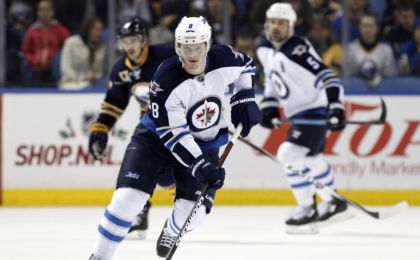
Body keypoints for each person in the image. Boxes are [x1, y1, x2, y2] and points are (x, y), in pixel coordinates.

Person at [88, 16, 261, 259]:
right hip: (155, 139)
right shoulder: (165, 79)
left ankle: (172, 228)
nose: (192, 54)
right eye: (186, 47)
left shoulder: (225, 58)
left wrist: (245, 97)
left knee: (194, 213)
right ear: (177, 47)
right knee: (127, 200)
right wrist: (201, 164)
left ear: (207, 44)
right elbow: (173, 134)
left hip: (204, 140)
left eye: (198, 46)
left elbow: (247, 66)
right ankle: (99, 256)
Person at [257, 3, 348, 233]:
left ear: (291, 25)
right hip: (299, 114)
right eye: (273, 22)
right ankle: (332, 202)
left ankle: (307, 208)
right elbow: (272, 83)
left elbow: (329, 77)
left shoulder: (297, 49)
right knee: (311, 159)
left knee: (288, 154)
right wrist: (269, 107)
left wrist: (336, 107)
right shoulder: (268, 50)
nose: (276, 27)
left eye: (281, 23)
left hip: (314, 111)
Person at [88, 17, 176, 240]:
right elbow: (114, 103)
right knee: (146, 168)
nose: (130, 46)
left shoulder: (166, 54)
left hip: (180, 121)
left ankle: (187, 191)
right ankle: (140, 211)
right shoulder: (120, 70)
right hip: (152, 127)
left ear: (144, 40)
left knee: (167, 178)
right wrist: (100, 129)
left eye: (134, 40)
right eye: (125, 41)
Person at [21, 0, 70, 86]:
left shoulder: (61, 30)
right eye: (42, 10)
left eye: (47, 10)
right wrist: (32, 60)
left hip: (55, 70)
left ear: (53, 12)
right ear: (38, 12)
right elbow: (26, 50)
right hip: (35, 70)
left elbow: (68, 48)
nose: (44, 13)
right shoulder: (32, 31)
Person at [59, 16, 105, 89]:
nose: (99, 33)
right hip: (70, 83)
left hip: (91, 85)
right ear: (87, 29)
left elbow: (99, 71)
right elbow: (65, 68)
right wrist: (82, 78)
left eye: (100, 30)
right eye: (96, 30)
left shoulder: (101, 47)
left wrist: (95, 76)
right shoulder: (71, 42)